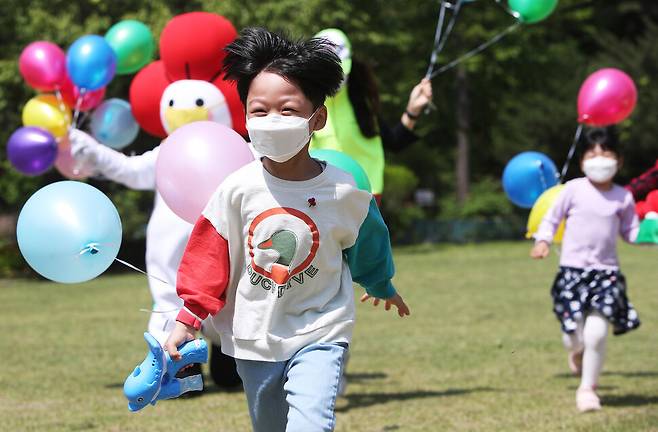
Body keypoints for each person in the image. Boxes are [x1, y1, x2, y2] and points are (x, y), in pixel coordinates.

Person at [164, 27, 410, 431]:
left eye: (288, 110)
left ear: (318, 117)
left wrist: (381, 284)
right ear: (245, 116)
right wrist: (187, 319)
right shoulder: (236, 190)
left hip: (321, 329)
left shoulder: (344, 192)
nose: (272, 121)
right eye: (259, 111)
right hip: (254, 336)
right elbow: (208, 258)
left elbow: (370, 244)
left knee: (311, 421)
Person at [530, 126, 641, 412]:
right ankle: (576, 353)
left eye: (606, 152)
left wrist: (651, 232)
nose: (599, 158)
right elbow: (551, 219)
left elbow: (632, 233)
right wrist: (542, 241)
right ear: (582, 161)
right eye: (592, 152)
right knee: (573, 335)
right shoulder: (573, 189)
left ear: (619, 160)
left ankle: (587, 389)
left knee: (597, 332)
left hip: (607, 275)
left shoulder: (623, 197)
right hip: (572, 273)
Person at [310, 28, 433, 203]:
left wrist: (413, 110)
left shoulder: (363, 103)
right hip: (319, 197)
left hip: (366, 196)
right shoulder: (305, 104)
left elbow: (394, 142)